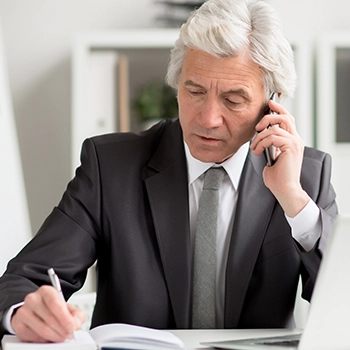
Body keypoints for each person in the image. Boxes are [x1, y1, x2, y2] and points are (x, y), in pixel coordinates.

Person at [0, 0, 337, 343]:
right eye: (194, 91)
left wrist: (294, 202)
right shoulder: (110, 167)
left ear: (273, 103)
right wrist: (25, 311)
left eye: (233, 100)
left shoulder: (305, 177)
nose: (208, 119)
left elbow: (342, 304)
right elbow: (24, 280)